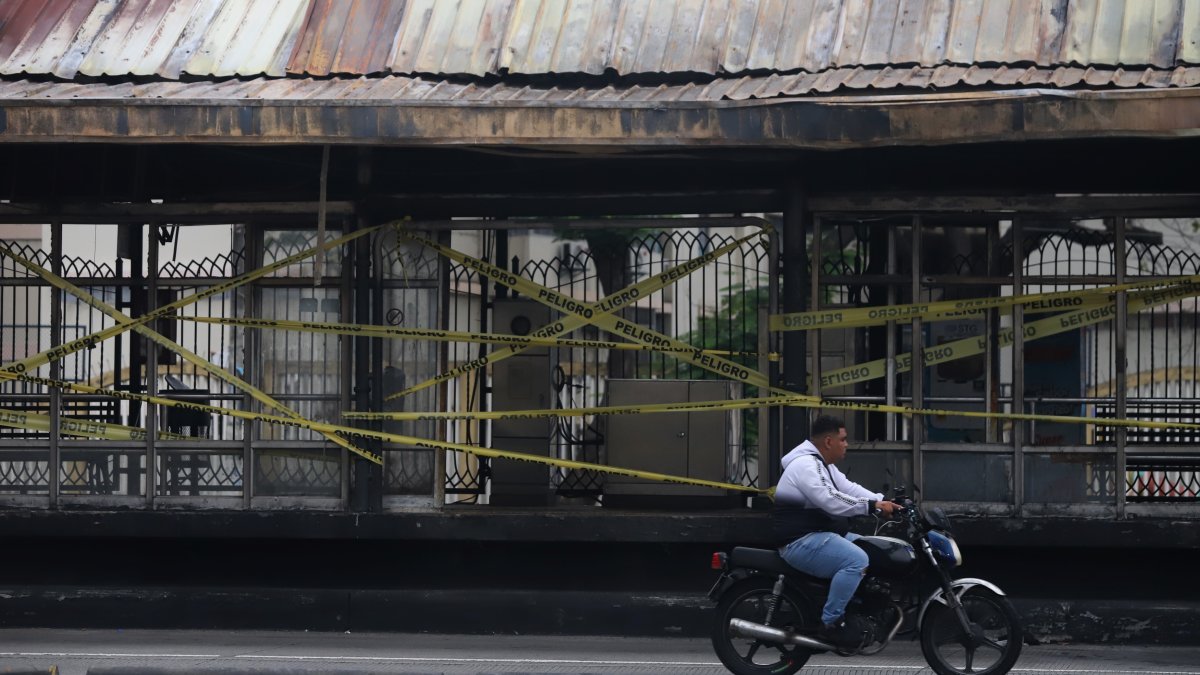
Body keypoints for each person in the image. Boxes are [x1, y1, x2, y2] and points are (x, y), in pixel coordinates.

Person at [772, 415, 900, 649]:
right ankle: (831, 623)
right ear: (829, 441)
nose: (847, 444)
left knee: (870, 547)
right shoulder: (806, 465)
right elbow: (831, 500)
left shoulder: (823, 465)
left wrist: (884, 501)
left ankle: (856, 609)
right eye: (843, 439)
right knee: (856, 559)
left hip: (818, 534)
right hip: (799, 541)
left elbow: (848, 488)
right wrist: (872, 507)